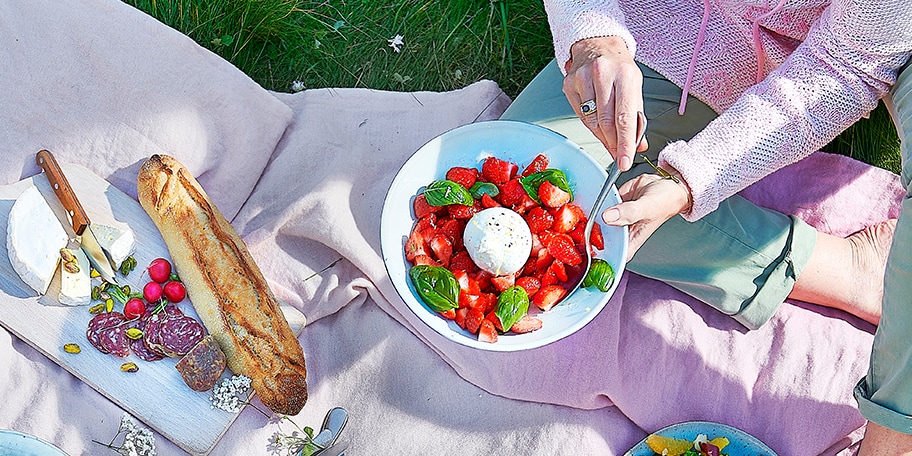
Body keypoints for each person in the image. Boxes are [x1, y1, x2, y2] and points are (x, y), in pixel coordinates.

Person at [500, 0, 912, 452]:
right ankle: (846, 268)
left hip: (846, 49)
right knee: (527, 174)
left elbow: (841, 68)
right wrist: (593, 39)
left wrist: (689, 180)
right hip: (659, 30)